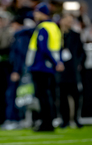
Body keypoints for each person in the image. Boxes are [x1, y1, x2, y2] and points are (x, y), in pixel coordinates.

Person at [26, 2, 64, 131]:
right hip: (50, 67)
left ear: (42, 13)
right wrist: (58, 63)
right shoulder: (54, 27)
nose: (35, 15)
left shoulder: (43, 27)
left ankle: (46, 123)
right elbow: (58, 47)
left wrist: (55, 62)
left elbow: (43, 48)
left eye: (37, 12)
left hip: (41, 66)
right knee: (48, 95)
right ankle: (49, 122)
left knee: (43, 96)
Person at [58, 14, 86, 128]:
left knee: (76, 95)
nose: (69, 23)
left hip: (73, 70)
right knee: (62, 97)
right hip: (61, 71)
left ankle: (76, 118)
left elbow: (82, 52)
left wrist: (79, 63)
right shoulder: (58, 35)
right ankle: (65, 120)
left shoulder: (75, 35)